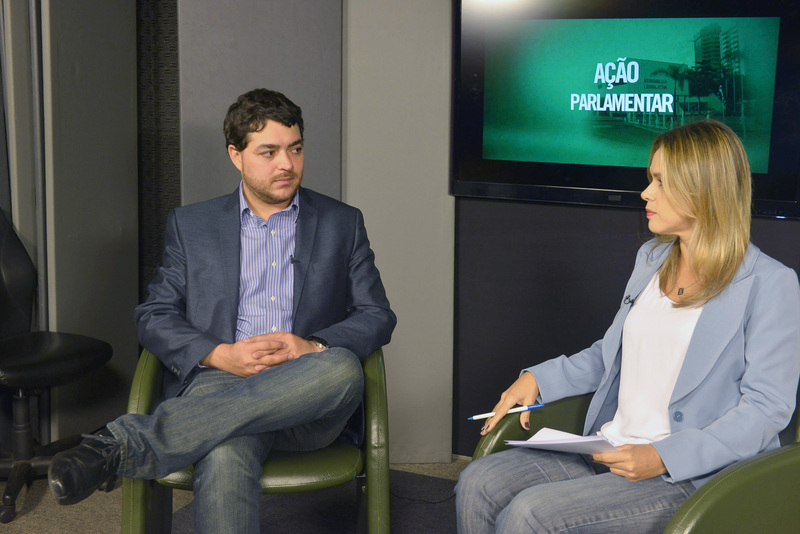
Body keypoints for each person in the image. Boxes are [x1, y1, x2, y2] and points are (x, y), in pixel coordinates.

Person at [48, 88, 397, 533]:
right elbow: (154, 313)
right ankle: (156, 437)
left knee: (342, 368)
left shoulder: (341, 222)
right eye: (268, 152)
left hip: (308, 393)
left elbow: (376, 314)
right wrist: (219, 355)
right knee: (227, 449)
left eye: (295, 149)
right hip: (220, 381)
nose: (287, 164)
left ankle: (126, 444)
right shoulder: (192, 225)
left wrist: (312, 346)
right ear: (236, 155)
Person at [455, 120, 800, 533]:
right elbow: (612, 354)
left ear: (704, 189)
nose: (646, 193)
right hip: (611, 448)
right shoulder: (652, 258)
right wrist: (539, 378)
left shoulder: (770, 283)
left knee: (530, 513)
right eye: (650, 179)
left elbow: (767, 409)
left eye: (661, 182)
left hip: (686, 477)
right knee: (477, 482)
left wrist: (664, 456)